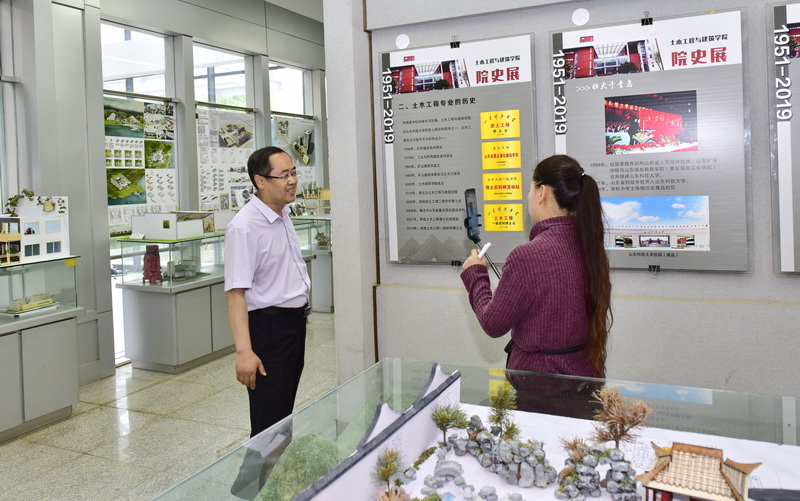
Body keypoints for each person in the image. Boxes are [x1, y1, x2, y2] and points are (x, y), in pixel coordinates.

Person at [461, 154, 612, 378]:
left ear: (542, 193)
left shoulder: (527, 256)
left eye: (530, 190)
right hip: (585, 375)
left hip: (540, 383)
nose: (528, 198)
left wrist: (476, 275)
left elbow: (493, 324)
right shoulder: (590, 247)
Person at [224, 146, 311, 438]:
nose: (293, 180)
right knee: (268, 424)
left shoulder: (282, 213)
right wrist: (244, 353)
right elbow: (235, 293)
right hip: (269, 329)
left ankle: (279, 467)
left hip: (293, 326)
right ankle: (257, 471)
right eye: (284, 175)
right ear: (260, 181)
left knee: (282, 415)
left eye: (294, 173)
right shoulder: (245, 227)